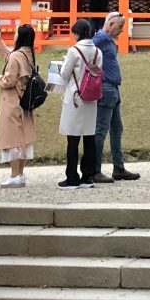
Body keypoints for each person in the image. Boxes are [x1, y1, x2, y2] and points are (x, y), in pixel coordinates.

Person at [91, 11, 140, 184]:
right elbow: (87, 50)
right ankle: (95, 169)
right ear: (110, 24)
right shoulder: (101, 39)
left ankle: (118, 168)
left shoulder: (107, 40)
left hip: (113, 88)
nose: (121, 31)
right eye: (120, 27)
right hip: (106, 88)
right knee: (101, 130)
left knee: (116, 128)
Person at [0, 24, 38, 189]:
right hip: (24, 102)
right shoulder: (28, 54)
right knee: (22, 139)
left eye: (16, 33)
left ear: (20, 36)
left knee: (13, 139)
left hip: (12, 102)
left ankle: (14, 175)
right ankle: (20, 175)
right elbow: (11, 57)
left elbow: (8, 80)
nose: (15, 35)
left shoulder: (16, 56)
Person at [58, 19, 102, 189]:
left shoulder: (74, 51)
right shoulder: (98, 52)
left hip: (75, 97)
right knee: (89, 138)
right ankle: (88, 176)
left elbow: (64, 74)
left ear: (77, 33)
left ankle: (71, 177)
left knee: (73, 139)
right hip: (91, 97)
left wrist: (62, 66)